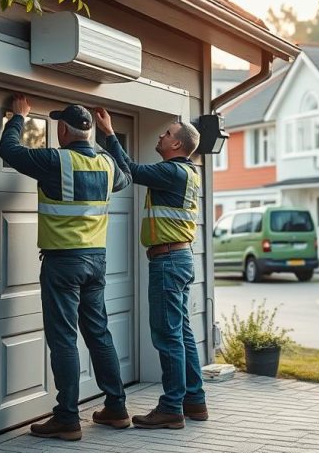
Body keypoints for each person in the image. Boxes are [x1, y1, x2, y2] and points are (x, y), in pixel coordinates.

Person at [0, 95, 133, 441]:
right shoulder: (106, 164)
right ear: (88, 132)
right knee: (99, 334)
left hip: (63, 263)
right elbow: (127, 176)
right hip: (96, 262)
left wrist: (18, 118)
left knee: (64, 339)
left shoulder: (55, 160)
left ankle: (67, 418)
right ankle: (116, 408)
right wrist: (112, 136)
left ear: (62, 130)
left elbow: (9, 151)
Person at [94, 107, 207, 430]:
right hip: (181, 259)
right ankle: (194, 401)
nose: (161, 135)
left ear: (178, 146)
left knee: (167, 335)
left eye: (167, 133)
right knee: (182, 333)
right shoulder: (189, 173)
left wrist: (110, 134)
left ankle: (172, 407)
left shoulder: (172, 173)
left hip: (168, 261)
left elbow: (129, 169)